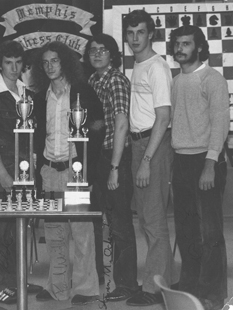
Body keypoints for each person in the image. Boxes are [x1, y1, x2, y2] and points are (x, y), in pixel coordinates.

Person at [30, 41, 104, 306]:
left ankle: (85, 287)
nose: (50, 66)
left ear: (66, 63)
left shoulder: (82, 91)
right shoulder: (39, 98)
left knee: (82, 230)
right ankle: (57, 285)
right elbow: (39, 137)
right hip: (49, 170)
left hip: (76, 171)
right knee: (53, 233)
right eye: (45, 62)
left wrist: (90, 175)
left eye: (55, 61)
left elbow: (97, 130)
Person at [169, 25, 229, 310]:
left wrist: (210, 163)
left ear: (199, 47)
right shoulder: (177, 80)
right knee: (187, 230)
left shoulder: (213, 79)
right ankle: (190, 287)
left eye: (187, 44)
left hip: (207, 161)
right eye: (177, 43)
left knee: (210, 233)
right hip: (181, 160)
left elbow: (220, 124)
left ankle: (214, 295)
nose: (181, 48)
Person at [0, 40, 42, 304]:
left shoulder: (26, 93)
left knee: (20, 229)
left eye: (18, 62)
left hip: (26, 172)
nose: (14, 68)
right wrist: (3, 174)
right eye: (8, 62)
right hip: (0, 171)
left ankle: (16, 281)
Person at [122, 10, 177, 306]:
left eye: (140, 32)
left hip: (151, 147)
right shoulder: (137, 64)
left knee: (154, 222)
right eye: (130, 33)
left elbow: (164, 116)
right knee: (145, 220)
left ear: (150, 34)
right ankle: (156, 281)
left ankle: (155, 290)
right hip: (137, 144)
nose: (134, 39)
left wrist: (146, 160)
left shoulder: (156, 67)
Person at [84, 34, 138, 301]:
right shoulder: (92, 81)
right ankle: (99, 280)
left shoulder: (116, 80)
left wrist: (115, 167)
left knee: (120, 224)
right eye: (92, 50)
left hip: (114, 157)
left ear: (112, 55)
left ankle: (127, 284)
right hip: (97, 158)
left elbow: (121, 124)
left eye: (103, 50)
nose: (97, 54)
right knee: (96, 219)